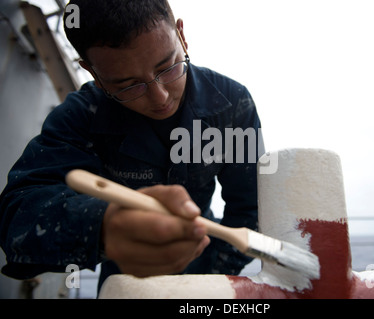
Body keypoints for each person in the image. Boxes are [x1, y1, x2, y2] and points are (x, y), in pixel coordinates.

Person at [0, 0, 263, 292]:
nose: (160, 97)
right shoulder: (81, 116)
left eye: (169, 67)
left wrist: (212, 279)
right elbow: (16, 219)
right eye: (128, 85)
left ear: (181, 36)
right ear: (93, 74)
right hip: (124, 283)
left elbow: (250, 209)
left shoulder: (231, 104)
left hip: (207, 269)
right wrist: (103, 227)